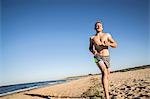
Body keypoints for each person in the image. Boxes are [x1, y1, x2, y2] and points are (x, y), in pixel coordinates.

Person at [89, 21, 117, 99]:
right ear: (95, 28)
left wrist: (109, 44)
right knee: (104, 72)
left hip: (107, 56)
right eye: (97, 26)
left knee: (107, 75)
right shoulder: (92, 38)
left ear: (102, 27)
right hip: (97, 57)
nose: (98, 27)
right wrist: (93, 51)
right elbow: (90, 48)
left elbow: (115, 44)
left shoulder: (107, 35)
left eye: (100, 25)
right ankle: (107, 96)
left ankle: (107, 90)